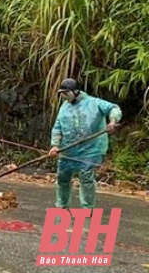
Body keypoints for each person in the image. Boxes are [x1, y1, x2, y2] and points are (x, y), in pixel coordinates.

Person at [48, 78, 121, 209]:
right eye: (62, 94)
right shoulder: (64, 107)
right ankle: (61, 206)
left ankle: (87, 208)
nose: (64, 96)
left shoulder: (94, 103)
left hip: (90, 149)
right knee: (62, 178)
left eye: (66, 93)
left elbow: (113, 108)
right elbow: (57, 127)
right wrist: (55, 145)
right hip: (68, 149)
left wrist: (113, 121)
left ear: (75, 91)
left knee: (86, 179)